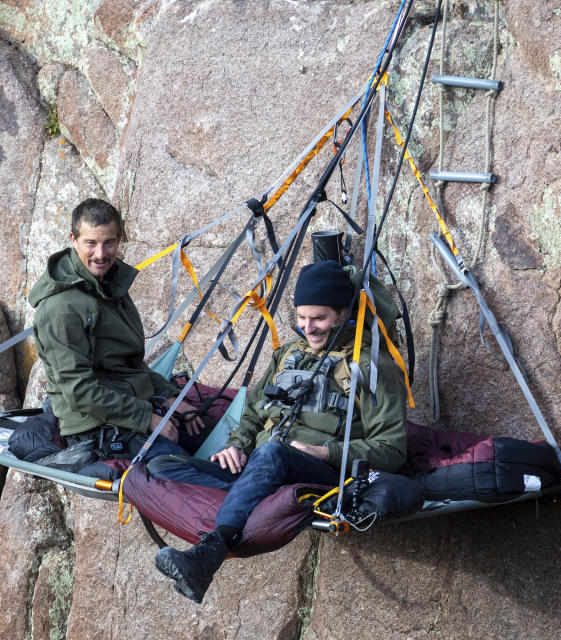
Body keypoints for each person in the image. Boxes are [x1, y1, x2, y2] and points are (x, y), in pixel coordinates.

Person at [152, 260, 408, 603]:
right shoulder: (288, 354)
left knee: (273, 452)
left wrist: (324, 453)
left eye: (319, 318)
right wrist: (237, 445)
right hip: (260, 465)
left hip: (322, 474)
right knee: (160, 467)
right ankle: (248, 495)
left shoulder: (371, 367)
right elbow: (254, 412)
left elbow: (392, 449)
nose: (308, 328)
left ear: (344, 312)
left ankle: (207, 555)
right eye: (302, 318)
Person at [28, 198, 203, 470]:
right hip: (92, 425)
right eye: (91, 243)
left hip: (128, 405)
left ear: (120, 240)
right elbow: (80, 390)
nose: (101, 253)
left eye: (109, 242)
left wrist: (169, 397)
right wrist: (148, 418)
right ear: (72, 239)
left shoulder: (110, 286)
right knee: (178, 467)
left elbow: (127, 367)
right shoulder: (61, 308)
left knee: (215, 438)